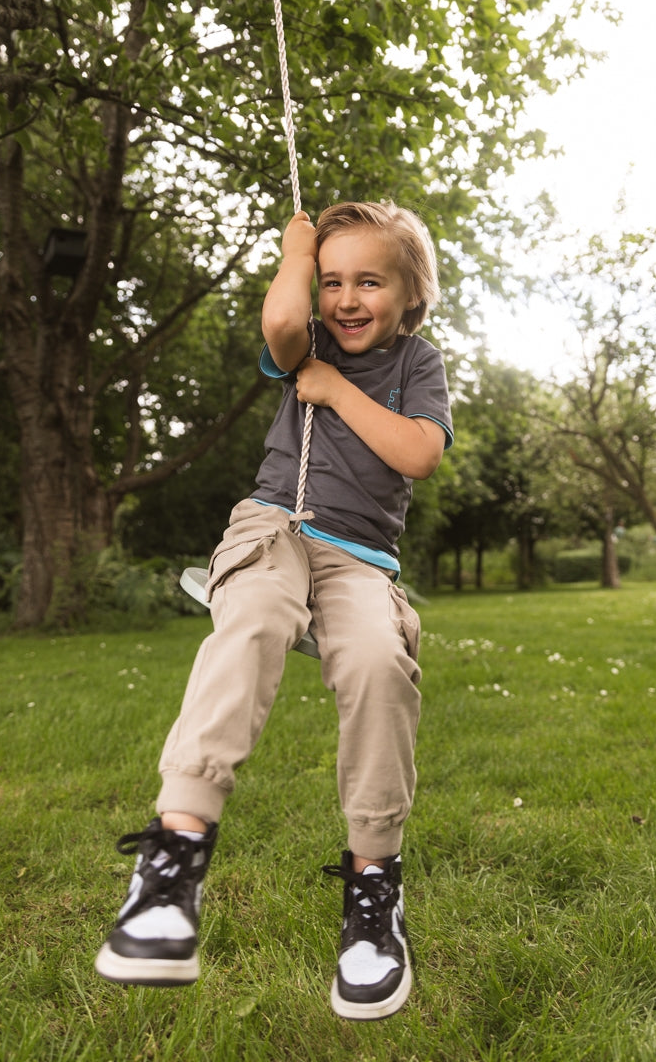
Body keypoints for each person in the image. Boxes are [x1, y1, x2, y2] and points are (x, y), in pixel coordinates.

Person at [95, 200, 453, 1020]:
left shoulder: (417, 363)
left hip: (362, 559)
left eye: (371, 281)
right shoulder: (307, 339)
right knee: (253, 614)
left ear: (409, 296)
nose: (348, 299)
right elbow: (286, 318)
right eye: (334, 281)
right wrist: (297, 255)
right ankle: (174, 861)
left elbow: (420, 453)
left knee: (377, 663)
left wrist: (335, 392)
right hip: (275, 528)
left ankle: (373, 894)